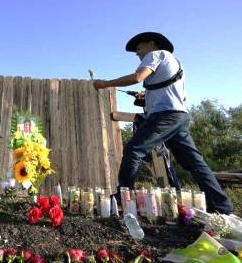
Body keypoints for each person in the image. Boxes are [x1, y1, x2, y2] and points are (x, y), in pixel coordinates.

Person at [92, 32, 233, 214]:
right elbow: (177, 95)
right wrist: (145, 97)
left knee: (134, 149)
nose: (137, 53)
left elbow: (137, 77)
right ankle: (222, 208)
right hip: (179, 116)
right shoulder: (176, 63)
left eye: (139, 48)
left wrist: (105, 83)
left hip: (165, 116)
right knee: (195, 162)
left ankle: (123, 197)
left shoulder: (156, 54)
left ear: (151, 43)